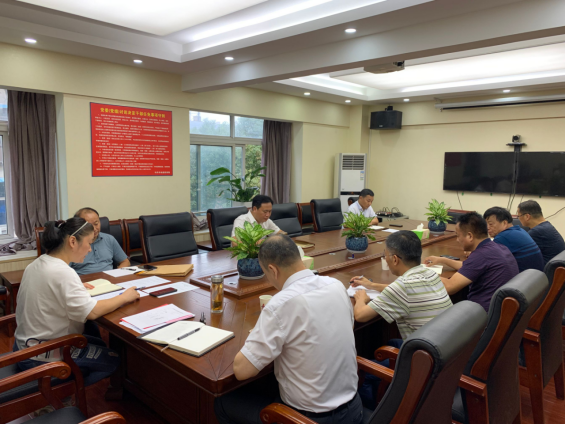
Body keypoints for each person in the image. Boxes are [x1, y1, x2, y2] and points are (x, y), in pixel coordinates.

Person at [214, 235, 363, 424]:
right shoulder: (336, 286)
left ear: (272, 270)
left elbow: (242, 371)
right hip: (354, 411)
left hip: (305, 418)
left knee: (222, 403)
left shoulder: (281, 304)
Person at [14, 217, 140, 387]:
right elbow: (92, 312)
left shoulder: (38, 263)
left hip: (24, 346)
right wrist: (125, 297)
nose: (90, 249)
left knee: (97, 342)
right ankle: (61, 390)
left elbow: (51, 288)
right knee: (113, 360)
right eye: (88, 243)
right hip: (42, 356)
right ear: (72, 241)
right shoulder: (63, 272)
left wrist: (75, 286)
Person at [350, 230, 453, 408]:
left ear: (395, 259)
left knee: (364, 374)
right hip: (445, 352)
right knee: (391, 342)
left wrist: (361, 298)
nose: (385, 258)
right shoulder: (430, 274)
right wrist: (371, 285)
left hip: (424, 362)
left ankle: (373, 413)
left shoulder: (402, 287)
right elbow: (399, 289)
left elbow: (360, 315)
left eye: (385, 255)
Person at [425, 212, 519, 312]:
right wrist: (442, 260)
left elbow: (449, 287)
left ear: (470, 236)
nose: (457, 240)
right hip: (501, 310)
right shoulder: (497, 247)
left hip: (480, 315)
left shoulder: (481, 255)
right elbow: (469, 267)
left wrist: (424, 272)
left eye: (458, 236)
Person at [70, 207, 130, 275]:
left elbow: (125, 262)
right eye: (89, 225)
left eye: (96, 224)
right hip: (83, 280)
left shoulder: (109, 239)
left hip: (109, 279)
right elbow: (63, 271)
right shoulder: (72, 244)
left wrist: (117, 274)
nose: (94, 229)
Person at [483, 206, 544, 272]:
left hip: (522, 277)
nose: (487, 228)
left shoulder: (502, 238)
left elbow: (484, 261)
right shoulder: (520, 230)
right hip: (536, 275)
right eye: (486, 224)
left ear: (504, 223)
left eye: (491, 224)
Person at [517, 200, 565, 264]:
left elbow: (519, 252)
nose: (518, 218)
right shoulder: (547, 226)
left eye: (519, 216)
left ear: (527, 216)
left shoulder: (536, 232)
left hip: (545, 268)